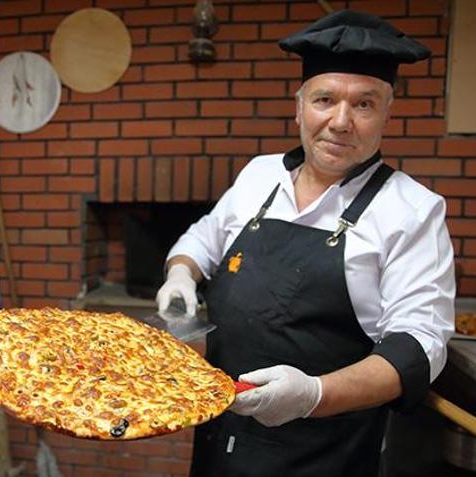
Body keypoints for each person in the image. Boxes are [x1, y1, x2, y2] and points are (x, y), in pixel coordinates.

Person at [155, 10, 456, 477]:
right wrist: (181, 273)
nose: (340, 121)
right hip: (218, 439)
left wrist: (314, 395)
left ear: (386, 115)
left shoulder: (412, 210)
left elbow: (420, 345)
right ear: (299, 108)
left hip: (323, 455)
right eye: (325, 99)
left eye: (364, 104)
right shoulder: (259, 175)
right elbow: (203, 238)